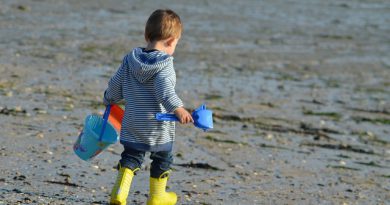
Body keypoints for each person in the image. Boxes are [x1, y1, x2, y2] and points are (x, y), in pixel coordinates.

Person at [103, 9, 193, 205]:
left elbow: (115, 85)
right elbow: (165, 91)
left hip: (133, 122)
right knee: (163, 158)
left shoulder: (130, 60)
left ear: (146, 36)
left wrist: (109, 98)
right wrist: (178, 108)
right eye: (176, 43)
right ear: (170, 41)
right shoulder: (165, 65)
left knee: (131, 156)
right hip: (157, 125)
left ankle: (119, 192)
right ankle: (157, 196)